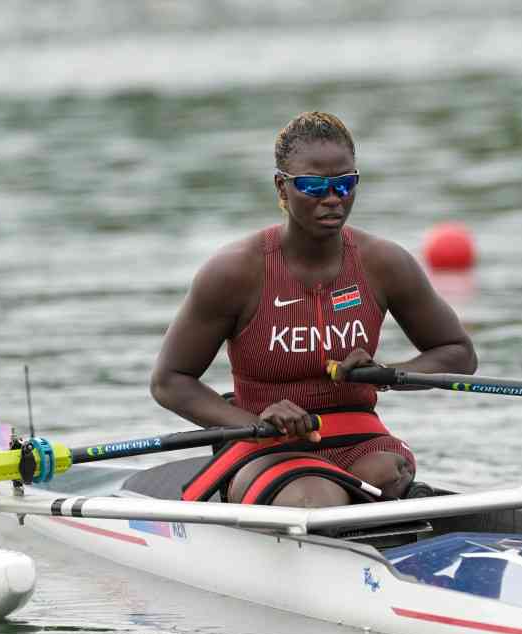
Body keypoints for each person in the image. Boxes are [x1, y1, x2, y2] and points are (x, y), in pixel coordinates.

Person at [151, 111, 476, 508]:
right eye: (312, 186)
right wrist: (254, 423)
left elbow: (458, 353)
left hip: (359, 436)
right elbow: (170, 381)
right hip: (266, 445)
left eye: (344, 184)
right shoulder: (235, 271)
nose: (332, 199)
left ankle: (388, 515)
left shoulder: (384, 262)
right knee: (318, 499)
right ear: (281, 188)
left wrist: (386, 374)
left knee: (387, 475)